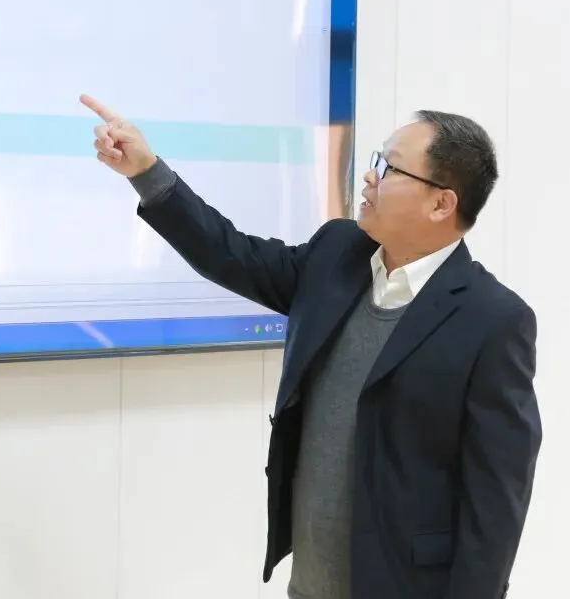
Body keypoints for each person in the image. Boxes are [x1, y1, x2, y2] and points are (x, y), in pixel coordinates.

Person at [83, 94, 541, 599]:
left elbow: (495, 504)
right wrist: (146, 172)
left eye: (388, 168)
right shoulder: (337, 254)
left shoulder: (492, 320)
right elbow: (230, 253)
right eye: (375, 161)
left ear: (441, 203)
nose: (369, 177)